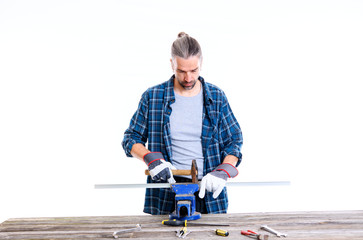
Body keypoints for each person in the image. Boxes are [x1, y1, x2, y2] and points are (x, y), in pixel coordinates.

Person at [122, 32, 243, 215]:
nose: (188, 78)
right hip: (165, 192)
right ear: (172, 64)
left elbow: (234, 141)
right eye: (181, 71)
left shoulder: (217, 97)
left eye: (193, 71)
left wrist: (223, 171)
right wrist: (152, 160)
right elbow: (130, 139)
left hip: (208, 191)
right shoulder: (152, 97)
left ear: (201, 63)